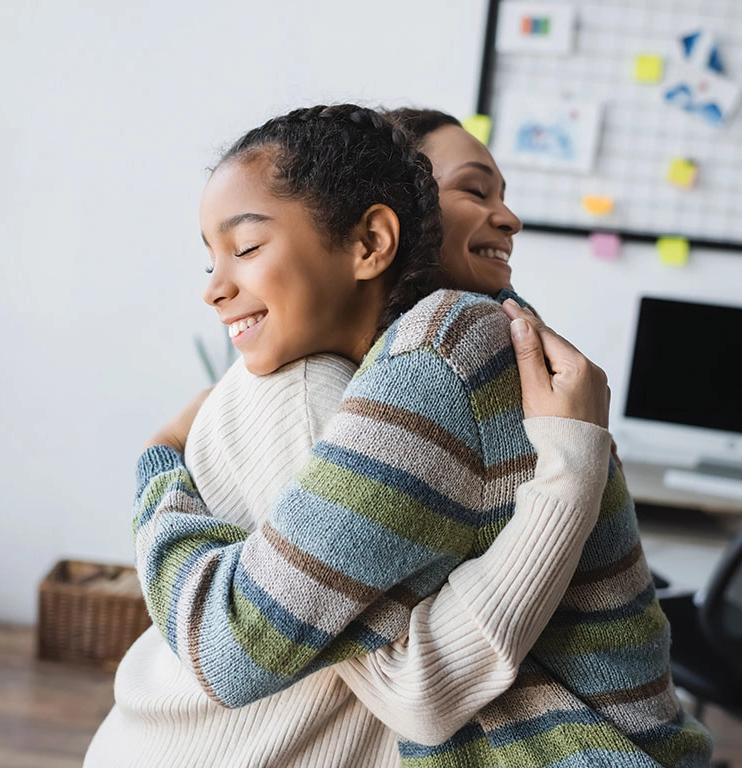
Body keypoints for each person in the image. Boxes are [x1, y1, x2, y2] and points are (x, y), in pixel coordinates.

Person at [89, 105, 710, 767]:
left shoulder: (438, 350)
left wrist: (158, 467)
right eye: (471, 190)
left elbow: (236, 647)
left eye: (244, 248)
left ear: (371, 240)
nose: (508, 217)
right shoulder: (433, 352)